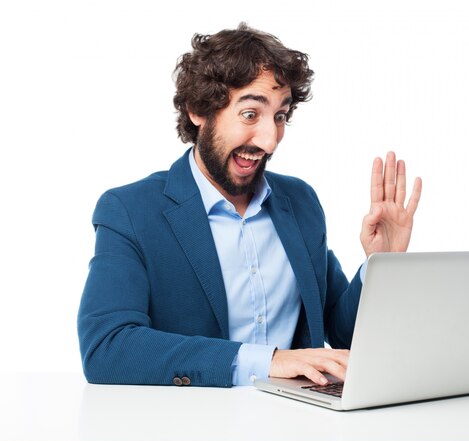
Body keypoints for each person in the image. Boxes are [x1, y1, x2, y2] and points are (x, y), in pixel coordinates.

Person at [77, 23, 422, 388]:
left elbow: (341, 333)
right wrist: (268, 362)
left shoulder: (299, 203)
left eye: (280, 116)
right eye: (250, 115)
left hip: (299, 426)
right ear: (198, 109)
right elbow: (108, 348)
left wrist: (381, 265)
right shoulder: (130, 210)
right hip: (191, 431)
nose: (270, 140)